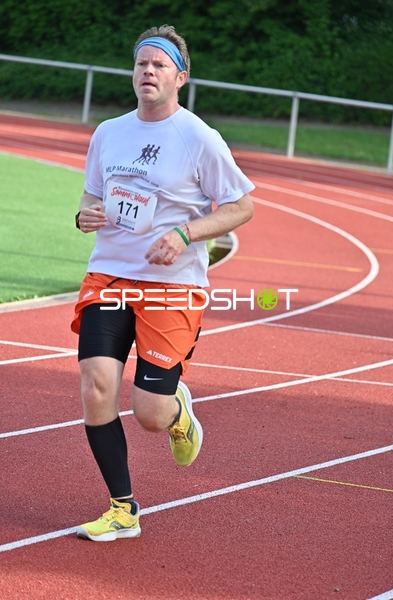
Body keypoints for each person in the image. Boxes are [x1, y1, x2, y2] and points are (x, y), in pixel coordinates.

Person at [71, 24, 254, 542]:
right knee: (96, 387)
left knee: (149, 414)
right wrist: (85, 215)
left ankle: (176, 413)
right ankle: (122, 508)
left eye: (159, 65)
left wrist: (185, 233)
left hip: (172, 286)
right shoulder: (109, 132)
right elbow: (91, 197)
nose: (147, 72)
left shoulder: (198, 138)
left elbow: (242, 206)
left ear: (181, 77)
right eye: (141, 64)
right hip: (109, 276)